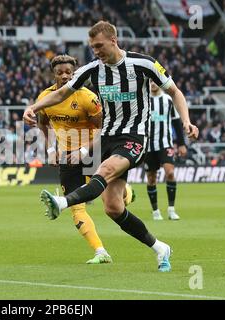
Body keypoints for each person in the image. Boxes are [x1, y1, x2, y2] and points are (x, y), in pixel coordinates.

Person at [24, 21, 199, 272]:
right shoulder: (92, 69)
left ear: (113, 41)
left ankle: (62, 203)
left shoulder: (144, 64)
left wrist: (186, 121)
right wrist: (34, 107)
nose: (95, 51)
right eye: (92, 47)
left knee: (103, 172)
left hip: (134, 137)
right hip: (107, 137)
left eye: (99, 46)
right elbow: (61, 94)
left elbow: (175, 92)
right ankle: (160, 248)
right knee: (113, 208)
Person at [37, 54, 135, 264]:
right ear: (53, 74)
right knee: (76, 207)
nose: (64, 76)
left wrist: (83, 151)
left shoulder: (87, 97)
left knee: (111, 200)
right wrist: (50, 150)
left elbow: (103, 130)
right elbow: (42, 124)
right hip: (67, 157)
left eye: (68, 73)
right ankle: (100, 252)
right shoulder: (45, 97)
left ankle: (126, 191)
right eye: (60, 73)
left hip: (94, 152)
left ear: (75, 73)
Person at [145, 81, 187, 220]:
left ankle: (171, 209)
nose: (152, 84)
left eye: (154, 81)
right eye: (150, 81)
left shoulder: (168, 100)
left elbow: (176, 122)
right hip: (148, 145)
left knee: (170, 173)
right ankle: (155, 211)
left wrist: (181, 143)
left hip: (165, 143)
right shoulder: (144, 99)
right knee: (151, 178)